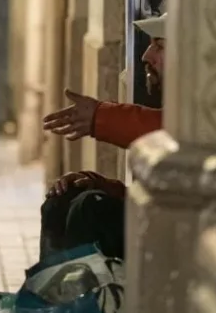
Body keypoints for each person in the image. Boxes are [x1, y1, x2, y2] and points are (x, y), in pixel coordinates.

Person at [37, 13, 168, 260]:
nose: (146, 56)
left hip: (181, 232)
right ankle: (49, 292)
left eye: (159, 46)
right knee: (63, 199)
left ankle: (83, 296)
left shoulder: (203, 108)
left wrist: (101, 117)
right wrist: (98, 184)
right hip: (162, 216)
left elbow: (169, 135)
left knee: (90, 209)